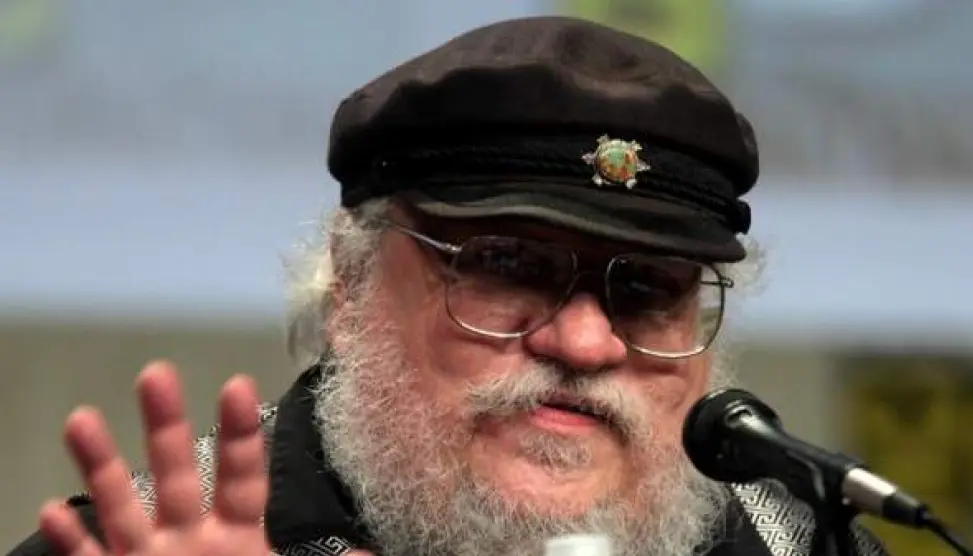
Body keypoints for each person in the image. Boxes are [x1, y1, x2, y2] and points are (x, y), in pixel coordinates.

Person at [7, 15, 888, 556]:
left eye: (648, 288)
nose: (585, 344)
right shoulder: (139, 548)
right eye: (508, 265)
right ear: (350, 288)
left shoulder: (802, 547)